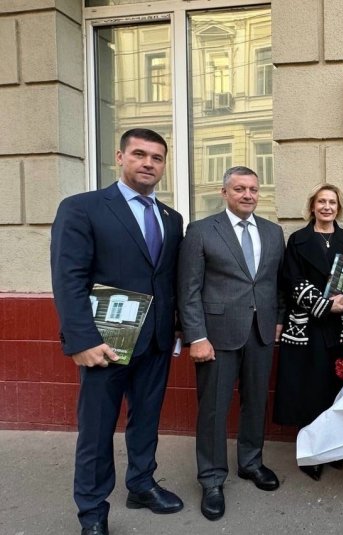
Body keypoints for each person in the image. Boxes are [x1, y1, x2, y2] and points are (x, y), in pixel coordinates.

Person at [51, 128, 184, 535]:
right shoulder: (83, 208)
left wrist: (176, 331)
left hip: (156, 340)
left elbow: (167, 279)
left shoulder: (171, 218)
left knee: (146, 420)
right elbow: (68, 277)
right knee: (97, 429)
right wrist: (82, 341)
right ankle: (92, 511)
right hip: (106, 340)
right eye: (140, 154)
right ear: (119, 157)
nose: (148, 163)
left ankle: (141, 484)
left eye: (157, 157)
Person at [177, 166, 285, 520]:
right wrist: (196, 336)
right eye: (239, 189)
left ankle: (251, 463)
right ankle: (211, 479)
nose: (248, 195)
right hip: (216, 336)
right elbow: (188, 289)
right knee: (213, 409)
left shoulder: (273, 232)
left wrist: (279, 320)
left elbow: (275, 283)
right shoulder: (202, 231)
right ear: (225, 193)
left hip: (261, 332)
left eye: (253, 189)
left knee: (255, 403)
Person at [273, 184, 343, 481]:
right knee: (308, 392)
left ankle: (333, 448)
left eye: (332, 202)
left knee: (334, 390)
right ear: (312, 206)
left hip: (340, 328)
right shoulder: (298, 240)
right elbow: (291, 280)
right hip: (308, 327)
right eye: (321, 202)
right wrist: (323, 304)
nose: (327, 207)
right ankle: (311, 454)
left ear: (338, 207)